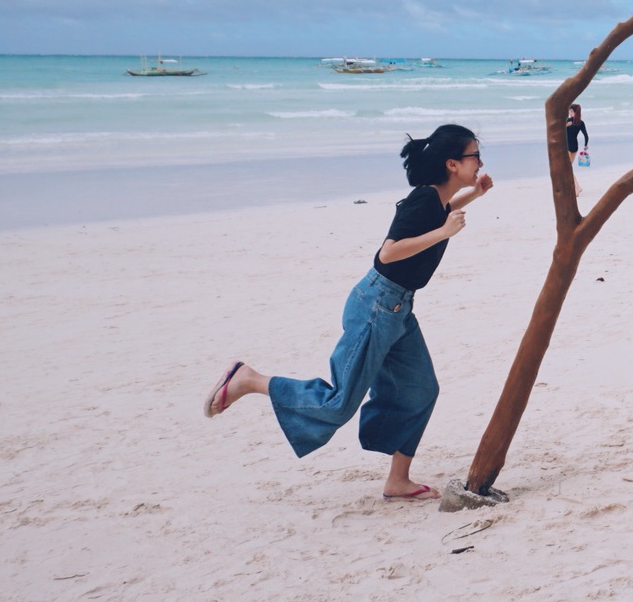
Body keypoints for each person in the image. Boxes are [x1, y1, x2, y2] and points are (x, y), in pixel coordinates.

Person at [200, 124, 493, 501]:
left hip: (399, 308)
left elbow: (444, 211)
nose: (480, 161)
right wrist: (444, 234)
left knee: (421, 390)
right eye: (475, 155)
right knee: (338, 403)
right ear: (453, 163)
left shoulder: (437, 199)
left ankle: (397, 481)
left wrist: (474, 194)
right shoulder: (423, 199)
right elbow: (388, 252)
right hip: (377, 306)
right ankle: (249, 380)